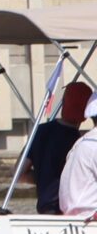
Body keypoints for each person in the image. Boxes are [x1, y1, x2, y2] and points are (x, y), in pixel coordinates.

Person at [27, 80, 91, 214]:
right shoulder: (80, 143)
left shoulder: (40, 131)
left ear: (63, 102)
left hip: (44, 209)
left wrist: (42, 178)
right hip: (66, 212)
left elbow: (19, 172)